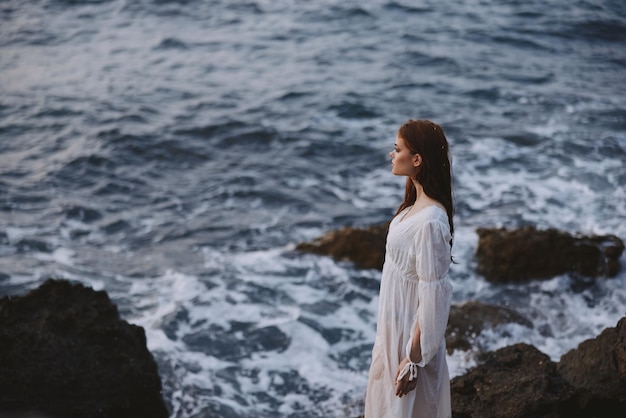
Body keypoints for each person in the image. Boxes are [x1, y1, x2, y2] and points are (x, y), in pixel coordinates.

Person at [365, 119, 454, 418]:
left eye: (397, 149)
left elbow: (434, 296)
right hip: (393, 331)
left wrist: (413, 358)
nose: (392, 155)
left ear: (417, 159)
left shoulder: (431, 221)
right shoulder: (412, 208)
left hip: (409, 343)